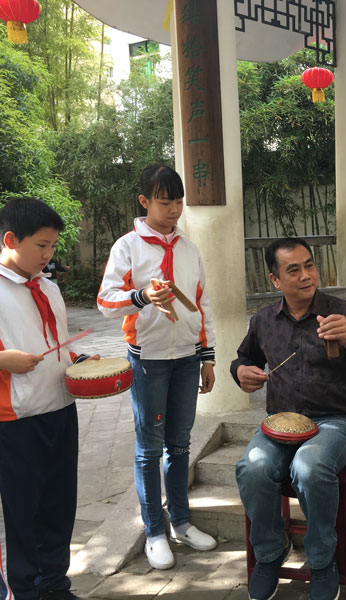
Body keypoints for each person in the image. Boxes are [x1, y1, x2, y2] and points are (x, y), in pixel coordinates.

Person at [231, 237, 346, 600]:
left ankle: (322, 560)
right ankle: (270, 552)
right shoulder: (264, 320)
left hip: (334, 423)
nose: (306, 275)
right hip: (281, 423)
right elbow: (244, 359)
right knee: (252, 467)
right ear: (275, 280)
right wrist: (241, 371)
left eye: (310, 265)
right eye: (294, 270)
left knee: (309, 466)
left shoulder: (345, 314)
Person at [97, 164, 217, 570]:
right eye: (165, 202)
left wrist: (207, 357)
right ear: (144, 201)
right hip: (147, 360)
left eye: (179, 202)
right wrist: (142, 296)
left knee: (180, 444)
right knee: (149, 449)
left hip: (186, 358)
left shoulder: (189, 249)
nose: (174, 210)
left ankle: (181, 523)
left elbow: (201, 304)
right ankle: (153, 531)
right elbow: (105, 301)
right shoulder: (127, 247)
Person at [0, 197, 98, 600]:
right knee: (23, 512)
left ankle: (55, 584)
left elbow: (58, 344)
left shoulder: (49, 288)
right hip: (16, 420)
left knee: (59, 505)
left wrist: (79, 360)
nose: (48, 254)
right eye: (41, 245)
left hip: (60, 409)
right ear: (11, 240)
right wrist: (3, 360)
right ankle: (24, 590)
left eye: (53, 246)